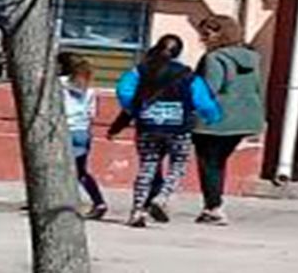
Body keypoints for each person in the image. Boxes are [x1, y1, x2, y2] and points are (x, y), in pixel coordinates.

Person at [113, 34, 222, 228]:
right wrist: (212, 116)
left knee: (147, 166)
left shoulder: (140, 71)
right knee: (178, 165)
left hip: (147, 126)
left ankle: (137, 210)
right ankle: (162, 197)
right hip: (179, 128)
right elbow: (202, 101)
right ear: (178, 52)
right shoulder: (188, 75)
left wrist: (135, 109)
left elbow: (124, 90)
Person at [192, 16, 265, 226]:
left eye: (206, 33)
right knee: (218, 162)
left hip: (215, 120)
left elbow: (210, 89)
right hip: (245, 118)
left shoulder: (214, 58)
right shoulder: (252, 57)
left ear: (219, 33)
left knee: (209, 163)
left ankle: (213, 208)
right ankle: (213, 206)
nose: (202, 38)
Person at [59, 51, 107, 220]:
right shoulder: (89, 89)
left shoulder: (59, 83)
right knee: (81, 171)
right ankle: (98, 201)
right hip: (82, 131)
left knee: (58, 168)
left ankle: (61, 203)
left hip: (64, 129)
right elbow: (91, 113)